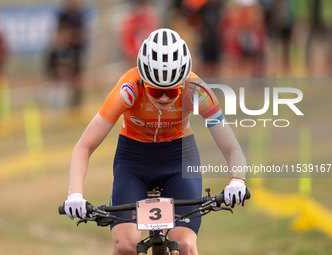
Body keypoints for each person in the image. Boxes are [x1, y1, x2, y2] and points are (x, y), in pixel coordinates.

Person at [63, 28, 247, 255]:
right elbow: (84, 146)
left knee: (186, 246)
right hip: (133, 161)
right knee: (125, 246)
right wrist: (75, 193)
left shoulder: (196, 90)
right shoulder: (127, 88)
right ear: (143, 81)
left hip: (179, 159)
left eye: (171, 93)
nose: (162, 98)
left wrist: (237, 180)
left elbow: (232, 148)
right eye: (155, 90)